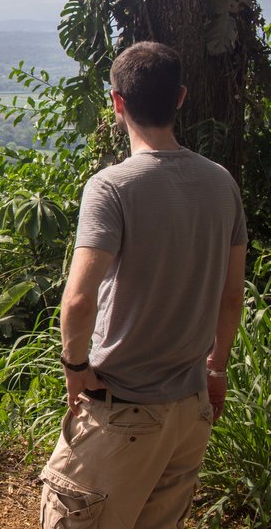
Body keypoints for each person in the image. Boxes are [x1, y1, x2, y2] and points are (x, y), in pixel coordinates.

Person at [40, 41, 247, 528]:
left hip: (124, 410)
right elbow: (231, 294)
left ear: (117, 101)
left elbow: (79, 298)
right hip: (188, 412)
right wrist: (216, 371)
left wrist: (74, 366)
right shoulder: (221, 184)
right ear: (179, 98)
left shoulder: (111, 186)